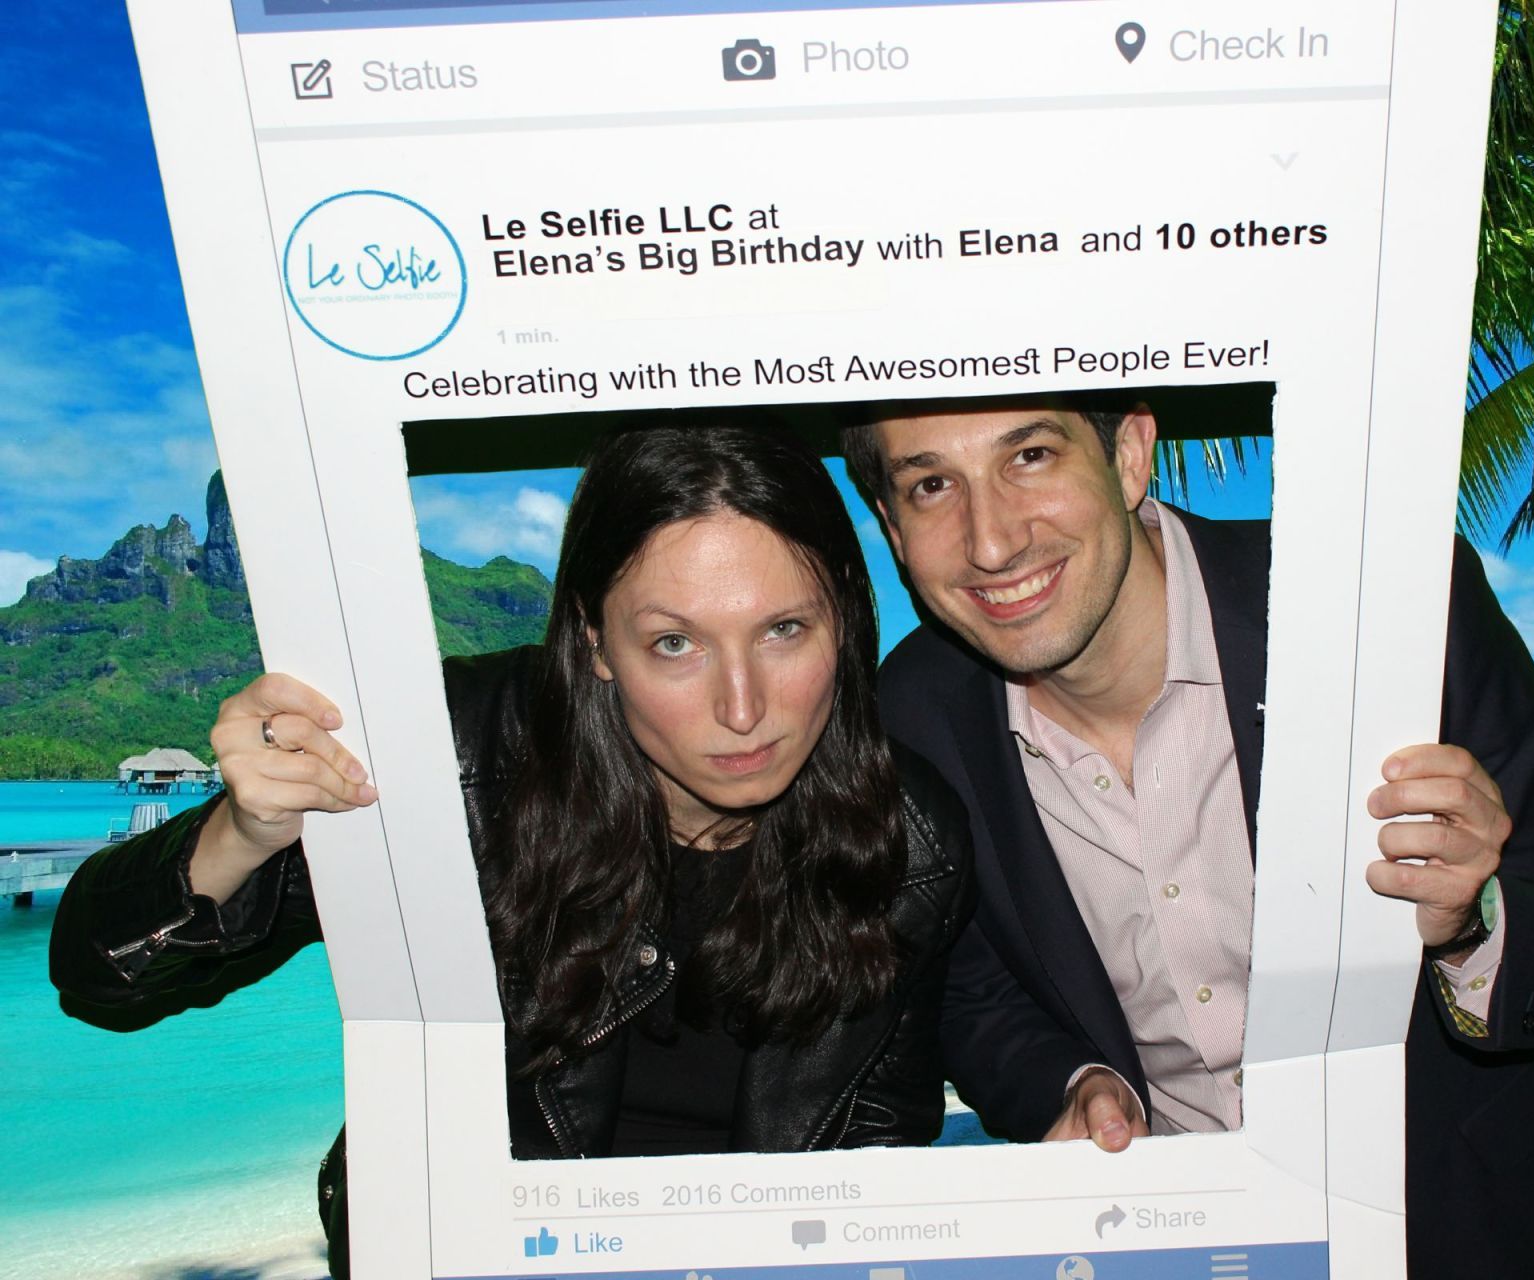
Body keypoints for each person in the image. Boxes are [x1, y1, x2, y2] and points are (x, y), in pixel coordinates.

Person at [50, 422, 975, 1277]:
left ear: (845, 616)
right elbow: (103, 982)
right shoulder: (451, 756)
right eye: (674, 643)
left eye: (784, 630)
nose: (743, 708)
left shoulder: (911, 835)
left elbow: (876, 1140)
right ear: (594, 641)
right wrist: (243, 833)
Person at [841, 396, 1534, 1280]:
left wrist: (1472, 922)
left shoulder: (1381, 610)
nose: (992, 541)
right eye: (931, 485)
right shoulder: (911, 714)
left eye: (1031, 456)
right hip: (1172, 1248)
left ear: (1130, 456)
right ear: (891, 525)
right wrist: (1068, 1083)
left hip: (1475, 1236)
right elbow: (973, 992)